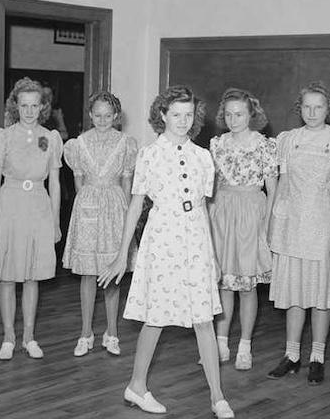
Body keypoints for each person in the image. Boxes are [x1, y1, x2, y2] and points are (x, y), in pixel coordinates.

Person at [98, 85, 235, 418]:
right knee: (155, 319)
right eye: (176, 114)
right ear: (162, 115)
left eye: (188, 115)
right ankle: (137, 385)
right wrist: (121, 253)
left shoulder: (204, 157)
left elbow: (205, 210)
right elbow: (135, 205)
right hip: (162, 238)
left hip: (196, 240)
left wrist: (212, 257)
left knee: (204, 318)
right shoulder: (149, 154)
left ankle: (218, 397)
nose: (183, 121)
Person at [267, 82, 330, 385]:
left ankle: (316, 356)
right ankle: (291, 355)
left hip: (324, 223)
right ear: (299, 108)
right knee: (294, 293)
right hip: (292, 224)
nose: (312, 112)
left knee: (320, 296)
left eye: (318, 107)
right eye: (307, 107)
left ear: (328, 109)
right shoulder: (288, 139)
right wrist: (273, 225)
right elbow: (281, 185)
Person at [0, 77, 62, 361]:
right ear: (15, 106)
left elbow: (54, 183)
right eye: (24, 105)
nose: (29, 111)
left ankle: (29, 337)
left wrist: (55, 221)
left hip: (38, 208)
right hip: (9, 206)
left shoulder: (50, 137)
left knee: (32, 276)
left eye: (35, 105)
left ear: (42, 106)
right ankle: (9, 337)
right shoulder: (3, 136)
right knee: (7, 276)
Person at [62, 91, 137, 357]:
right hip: (88, 208)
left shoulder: (126, 143)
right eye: (97, 115)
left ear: (116, 116)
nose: (102, 119)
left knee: (112, 275)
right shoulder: (78, 144)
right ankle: (85, 333)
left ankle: (112, 332)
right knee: (87, 274)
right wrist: (87, 204)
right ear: (90, 115)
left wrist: (127, 214)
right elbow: (79, 181)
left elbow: (127, 181)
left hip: (115, 207)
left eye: (108, 115)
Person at [208, 88, 277, 371]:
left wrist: (268, 224)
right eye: (228, 114)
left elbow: (273, 190)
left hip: (251, 212)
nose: (233, 119)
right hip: (223, 212)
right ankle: (221, 341)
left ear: (252, 115)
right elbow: (210, 185)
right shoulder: (216, 144)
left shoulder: (264, 145)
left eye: (239, 114)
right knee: (224, 281)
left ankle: (245, 345)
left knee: (247, 285)